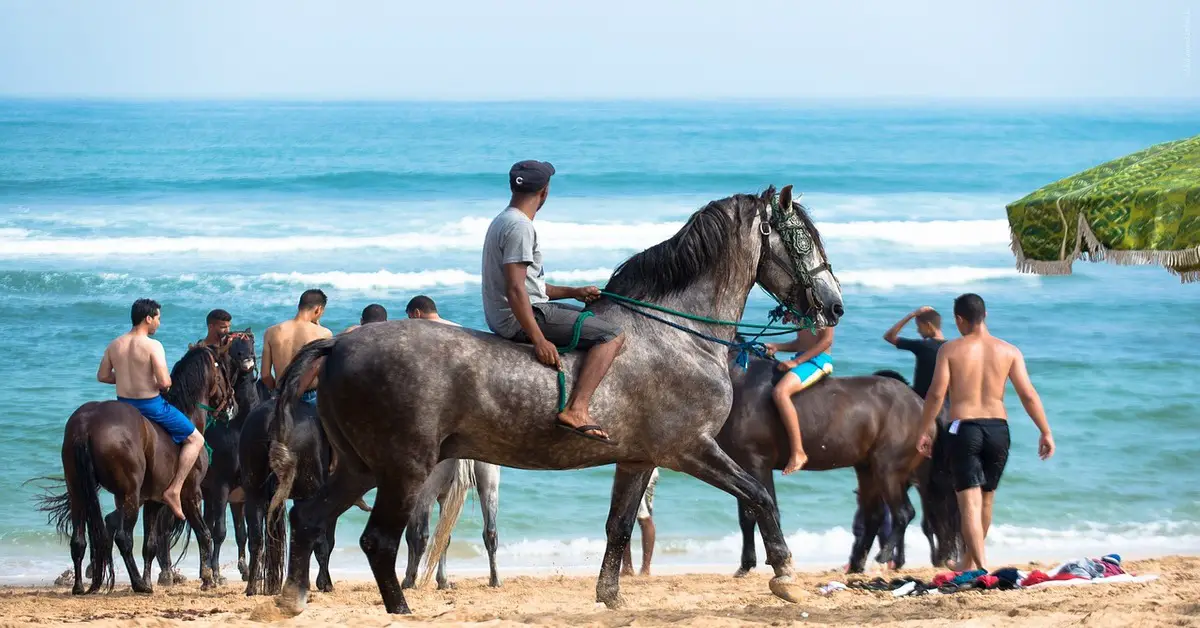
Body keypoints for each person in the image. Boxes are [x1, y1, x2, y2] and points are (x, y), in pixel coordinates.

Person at [481, 160, 625, 444]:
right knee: (611, 335)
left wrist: (574, 291)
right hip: (524, 316)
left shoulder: (503, 220)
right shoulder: (521, 227)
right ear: (544, 192)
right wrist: (538, 339)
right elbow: (515, 289)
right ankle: (577, 409)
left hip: (521, 308)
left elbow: (528, 285)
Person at [917, 293, 1054, 573]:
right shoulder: (1009, 351)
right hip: (998, 431)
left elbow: (935, 394)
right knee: (987, 498)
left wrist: (924, 430)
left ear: (959, 319)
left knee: (969, 501)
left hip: (964, 429)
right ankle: (969, 563)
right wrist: (1045, 431)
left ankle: (980, 566)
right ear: (986, 315)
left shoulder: (950, 350)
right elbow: (1028, 394)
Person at [97, 298, 204, 520]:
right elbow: (165, 383)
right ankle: (174, 489)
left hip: (123, 405)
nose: (158, 323)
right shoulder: (153, 345)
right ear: (148, 318)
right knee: (196, 440)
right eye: (157, 318)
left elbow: (103, 376)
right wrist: (149, 381)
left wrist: (127, 379)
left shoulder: (115, 344)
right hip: (151, 406)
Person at [764, 322, 835, 474]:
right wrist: (778, 346)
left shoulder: (826, 307)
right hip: (802, 358)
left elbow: (827, 340)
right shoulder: (803, 309)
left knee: (780, 392)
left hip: (818, 361)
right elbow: (801, 343)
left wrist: (796, 362)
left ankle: (798, 452)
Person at [262, 289, 332, 404]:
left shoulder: (271, 331)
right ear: (318, 309)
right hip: (310, 397)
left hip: (280, 396)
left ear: (299, 306)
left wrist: (277, 392)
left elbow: (265, 375)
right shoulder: (324, 333)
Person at [883, 306, 946, 399]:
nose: (918, 331)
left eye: (919, 327)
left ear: (928, 326)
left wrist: (912, 315)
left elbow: (889, 336)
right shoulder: (952, 347)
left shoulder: (922, 345)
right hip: (944, 401)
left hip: (920, 401)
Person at [622, 468, 658, 577]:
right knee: (622, 519)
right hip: (627, 471)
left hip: (642, 471)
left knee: (644, 517)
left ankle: (645, 568)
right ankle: (627, 567)